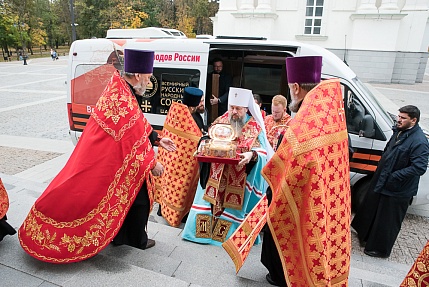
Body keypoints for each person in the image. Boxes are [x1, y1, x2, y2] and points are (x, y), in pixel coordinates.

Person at [18, 48, 175, 263]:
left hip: (114, 162)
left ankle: (126, 237)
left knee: (136, 200)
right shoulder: (123, 98)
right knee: (136, 201)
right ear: (138, 75)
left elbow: (136, 125)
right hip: (106, 163)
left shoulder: (121, 88)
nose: (149, 82)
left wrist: (156, 138)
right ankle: (132, 239)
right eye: (148, 77)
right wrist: (152, 162)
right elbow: (130, 138)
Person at [261, 56, 351, 286]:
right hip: (325, 197)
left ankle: (283, 276)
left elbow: (291, 168)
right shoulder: (330, 116)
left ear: (296, 88)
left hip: (301, 198)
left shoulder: (302, 125)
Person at [182, 87, 272, 246]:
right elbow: (207, 138)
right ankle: (201, 235)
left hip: (240, 177)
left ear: (246, 109)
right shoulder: (221, 120)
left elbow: (263, 152)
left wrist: (252, 155)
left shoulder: (254, 127)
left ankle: (229, 239)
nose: (234, 112)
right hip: (216, 174)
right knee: (208, 202)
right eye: (232, 108)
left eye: (238, 108)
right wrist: (203, 144)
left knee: (232, 208)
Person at [352, 105, 429, 258]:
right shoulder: (400, 131)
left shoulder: (419, 142)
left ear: (413, 120)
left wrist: (395, 176)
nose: (398, 120)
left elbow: (419, 168)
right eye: (398, 116)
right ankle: (366, 238)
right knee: (374, 212)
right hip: (384, 181)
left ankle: (378, 250)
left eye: (403, 118)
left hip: (398, 189)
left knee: (387, 221)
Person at [155, 87, 206, 227]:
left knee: (168, 184)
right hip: (183, 162)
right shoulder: (192, 118)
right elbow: (197, 139)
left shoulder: (175, 111)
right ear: (193, 105)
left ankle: (162, 210)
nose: (203, 104)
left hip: (170, 158)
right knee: (180, 187)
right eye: (200, 101)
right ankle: (179, 216)